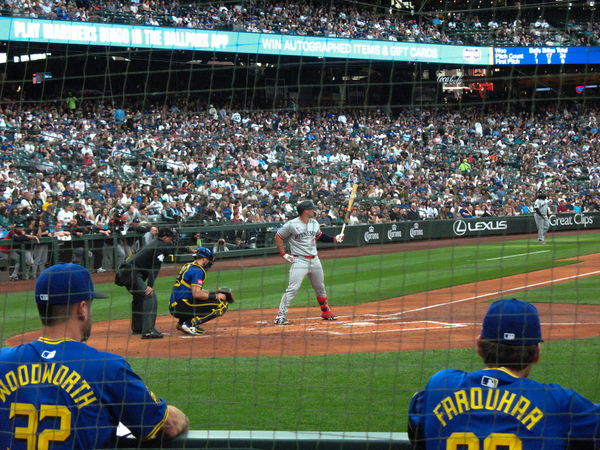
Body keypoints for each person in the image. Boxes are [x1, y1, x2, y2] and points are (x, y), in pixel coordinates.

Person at [0, 263, 189, 449]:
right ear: (82, 309)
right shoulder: (108, 368)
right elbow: (169, 425)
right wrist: (182, 417)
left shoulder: (3, 361)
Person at [408, 298, 600, 450]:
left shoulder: (440, 385)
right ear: (537, 353)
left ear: (479, 347)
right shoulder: (559, 403)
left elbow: (417, 431)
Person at [274, 200, 344, 325]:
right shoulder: (292, 224)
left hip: (315, 260)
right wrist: (284, 254)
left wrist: (334, 238)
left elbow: (319, 236)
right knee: (293, 289)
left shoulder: (314, 223)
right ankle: (280, 316)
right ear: (306, 211)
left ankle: (325, 311)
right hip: (299, 260)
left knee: (320, 287)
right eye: (312, 209)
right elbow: (278, 236)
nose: (314, 210)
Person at [115, 228, 174, 339]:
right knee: (149, 296)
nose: (172, 239)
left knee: (139, 297)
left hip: (125, 273)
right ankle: (148, 331)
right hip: (131, 272)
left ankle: (139, 327)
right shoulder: (163, 246)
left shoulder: (155, 243)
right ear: (165, 237)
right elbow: (155, 266)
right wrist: (150, 285)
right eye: (171, 237)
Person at [169, 248, 230, 336]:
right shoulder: (198, 270)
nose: (209, 262)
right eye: (209, 260)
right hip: (181, 305)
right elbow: (196, 294)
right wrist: (216, 297)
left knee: (202, 301)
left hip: (176, 305)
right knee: (221, 304)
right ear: (204, 258)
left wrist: (212, 293)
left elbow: (193, 290)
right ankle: (189, 324)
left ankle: (181, 323)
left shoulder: (188, 266)